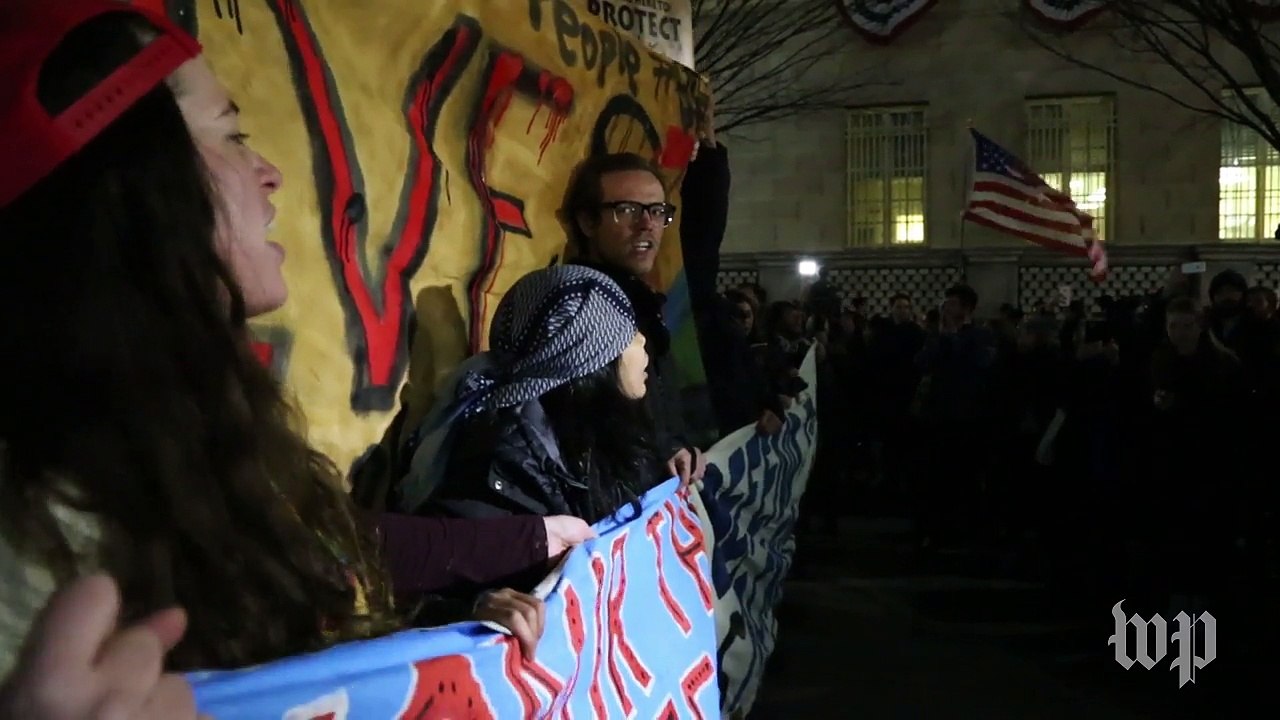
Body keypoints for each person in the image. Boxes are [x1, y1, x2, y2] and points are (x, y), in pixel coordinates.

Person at [0, 0, 588, 685]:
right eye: (231, 134)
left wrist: (456, 609)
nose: (269, 172)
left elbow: (331, 560)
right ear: (129, 184)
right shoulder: (38, 527)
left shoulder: (199, 430)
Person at [397, 266, 666, 545]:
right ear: (587, 367)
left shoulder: (592, 426)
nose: (642, 340)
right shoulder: (502, 467)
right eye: (626, 334)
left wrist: (670, 461)